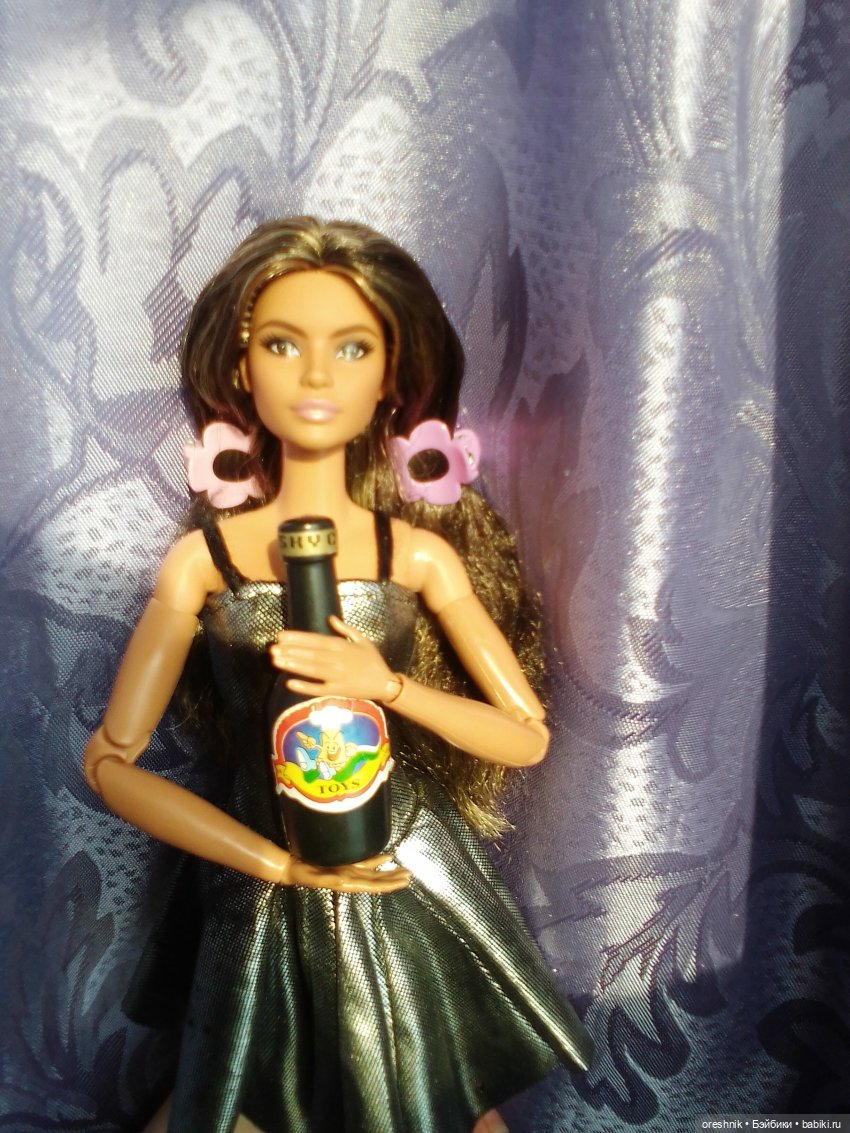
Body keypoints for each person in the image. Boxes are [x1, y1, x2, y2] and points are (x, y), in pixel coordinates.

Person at [83, 217, 592, 1133]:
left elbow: (525, 735)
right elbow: (110, 761)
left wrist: (387, 686)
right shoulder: (206, 562)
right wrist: (270, 862)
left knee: (424, 1092)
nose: (317, 376)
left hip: (397, 864)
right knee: (239, 1096)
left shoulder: (416, 556)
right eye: (283, 344)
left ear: (391, 376)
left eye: (352, 348)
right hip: (261, 875)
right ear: (243, 368)